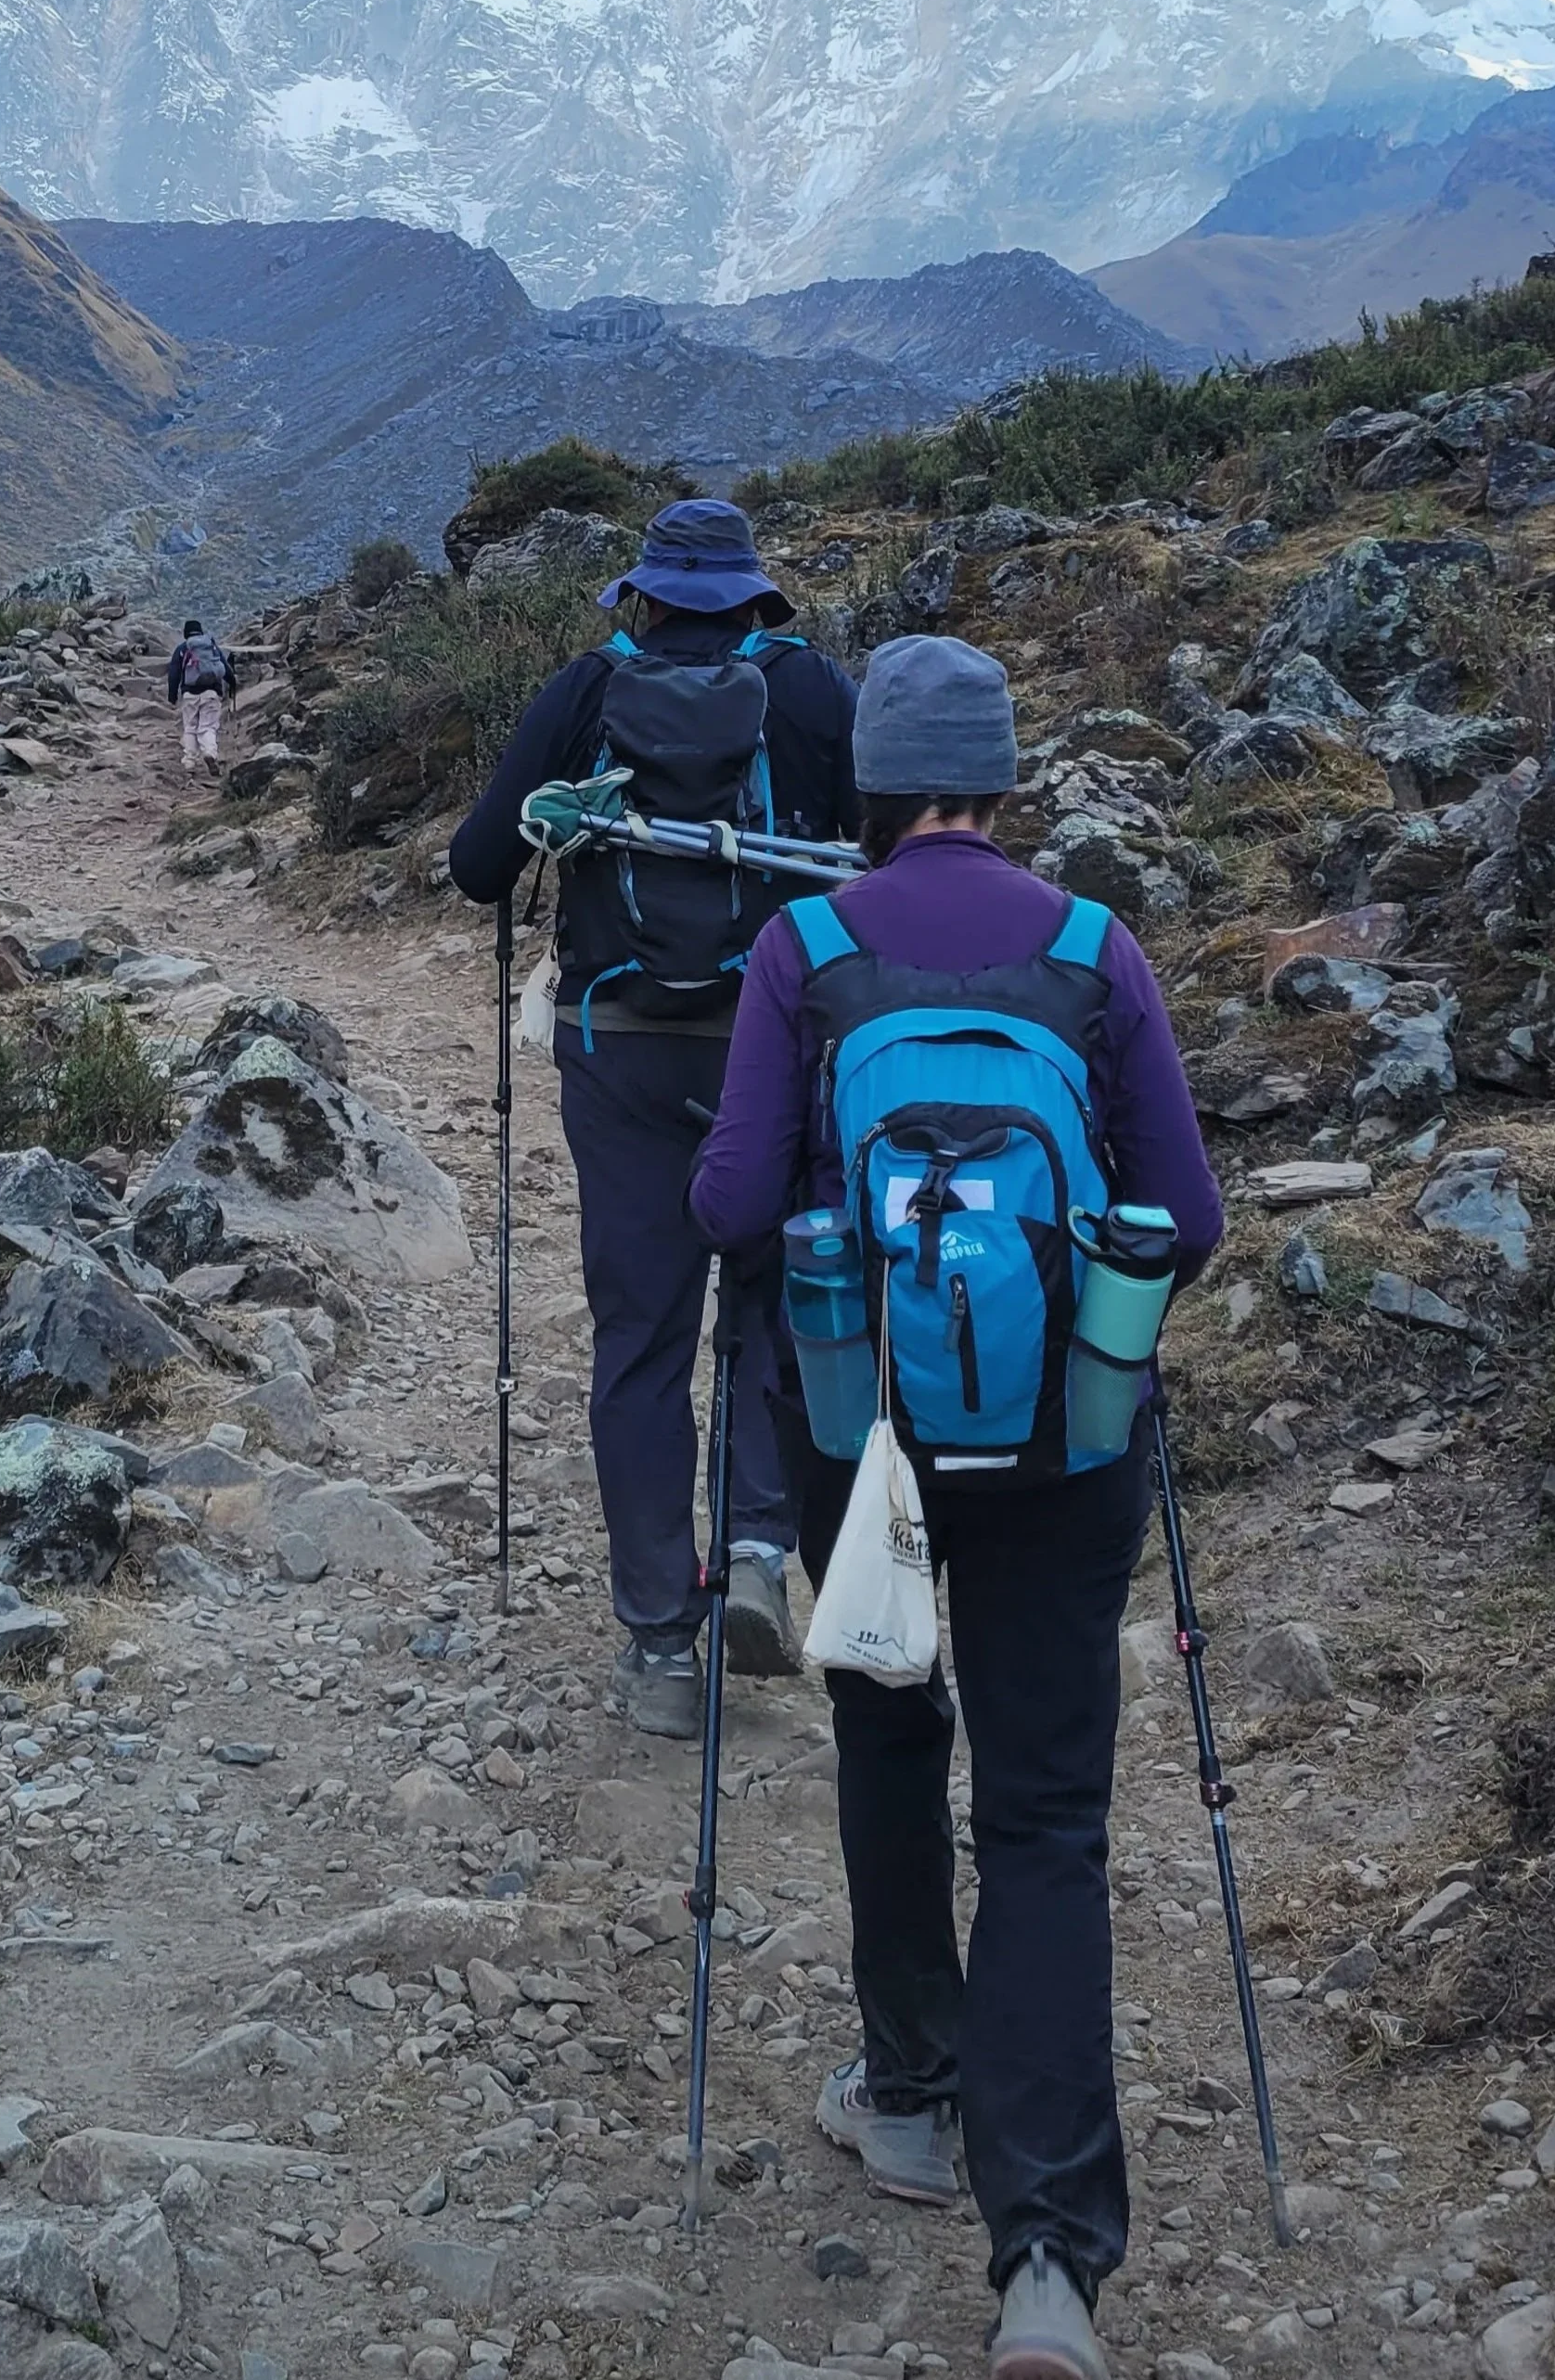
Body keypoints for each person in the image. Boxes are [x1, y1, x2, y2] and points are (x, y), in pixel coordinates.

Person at [688, 634, 1223, 2380]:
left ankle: (910, 2097)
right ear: (1003, 774)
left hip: (869, 1448)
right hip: (1067, 1439)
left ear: (867, 783)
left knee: (892, 1749)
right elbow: (1189, 1214)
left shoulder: (806, 946)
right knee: (1052, 1823)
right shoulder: (1092, 948)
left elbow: (725, 1198)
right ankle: (1052, 2261)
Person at [447, 498, 860, 1736]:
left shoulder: (588, 692)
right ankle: (751, 1553)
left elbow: (476, 865)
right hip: (772, 1051)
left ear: (643, 595)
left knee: (640, 1334)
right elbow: (884, 858)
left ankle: (657, 1647)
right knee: (771, 1307)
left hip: (619, 1056)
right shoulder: (810, 695)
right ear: (750, 596)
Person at [167, 618, 232, 774]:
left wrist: (172, 695)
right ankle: (210, 753)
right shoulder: (211, 646)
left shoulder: (182, 648)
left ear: (185, 633)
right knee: (208, 727)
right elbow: (225, 667)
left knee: (190, 727)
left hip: (190, 693)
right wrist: (232, 682)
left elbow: (174, 673)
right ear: (200, 631)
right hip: (212, 692)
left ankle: (189, 761)